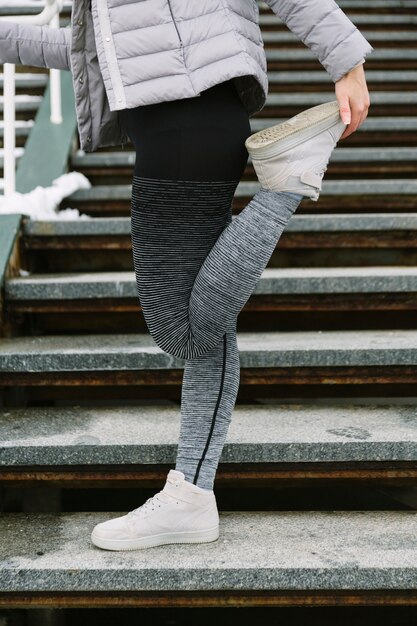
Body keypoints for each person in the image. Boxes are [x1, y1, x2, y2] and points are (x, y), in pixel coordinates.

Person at [0, 0, 372, 551]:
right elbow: (97, 50)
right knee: (207, 327)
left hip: (184, 125)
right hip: (189, 123)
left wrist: (347, 63)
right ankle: (192, 494)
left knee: (178, 325)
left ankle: (287, 182)